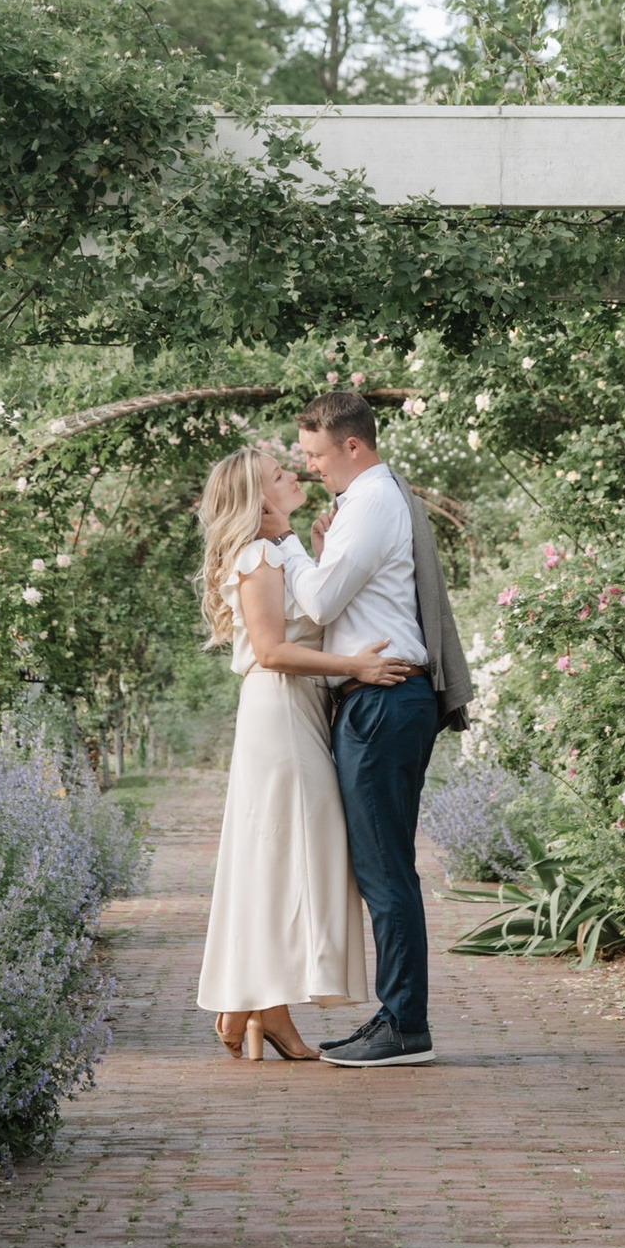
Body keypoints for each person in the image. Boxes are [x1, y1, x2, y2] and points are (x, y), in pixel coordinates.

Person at [192, 439, 415, 1061]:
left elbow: (312, 609)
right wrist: (355, 668)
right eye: (277, 473)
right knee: (286, 858)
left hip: (299, 711)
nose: (293, 474)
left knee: (287, 856)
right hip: (280, 711)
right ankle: (265, 1004)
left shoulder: (277, 551)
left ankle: (251, 1004)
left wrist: (317, 555)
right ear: (257, 496)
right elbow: (270, 650)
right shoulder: (258, 553)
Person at [290, 386, 460, 1066]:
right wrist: (322, 549)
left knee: (385, 868)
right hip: (382, 700)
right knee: (381, 866)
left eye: (316, 454)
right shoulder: (367, 502)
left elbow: (323, 596)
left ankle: (405, 1026)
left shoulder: (371, 502)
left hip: (384, 703)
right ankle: (396, 1016)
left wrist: (288, 551)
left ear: (351, 445)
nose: (310, 467)